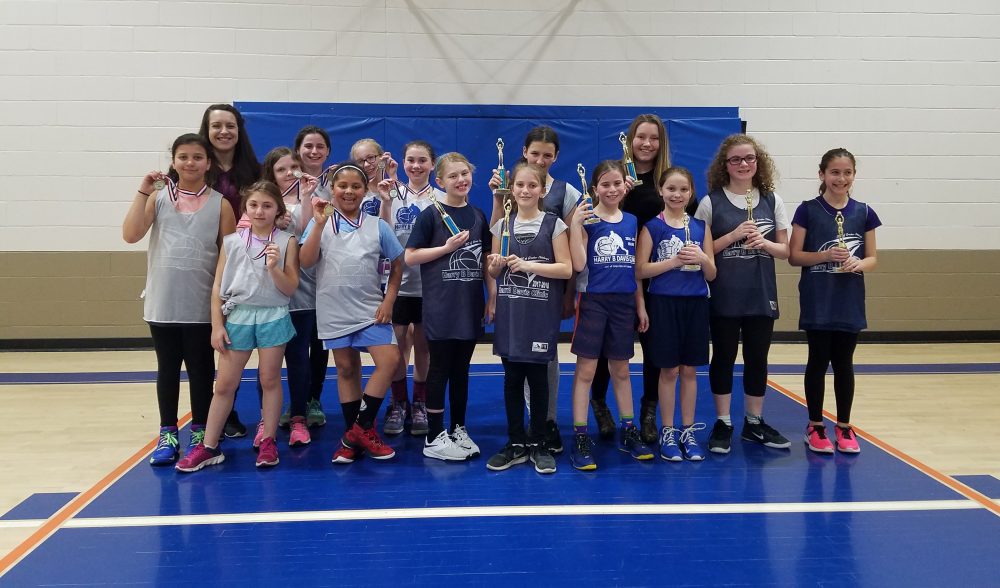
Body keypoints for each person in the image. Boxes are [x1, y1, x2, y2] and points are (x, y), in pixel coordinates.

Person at [123, 133, 235, 467]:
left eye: (197, 157)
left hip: (202, 302)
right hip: (163, 301)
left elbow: (228, 254)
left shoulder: (221, 203)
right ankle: (168, 432)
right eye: (183, 157)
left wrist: (221, 300)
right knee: (167, 369)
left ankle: (200, 431)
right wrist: (143, 189)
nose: (190, 163)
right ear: (173, 161)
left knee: (202, 370)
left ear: (208, 163)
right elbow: (130, 235)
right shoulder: (158, 197)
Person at [175, 180, 300, 472]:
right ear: (245, 208)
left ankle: (268, 441)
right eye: (254, 205)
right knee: (225, 385)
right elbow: (218, 285)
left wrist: (274, 268)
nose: (260, 211)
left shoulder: (287, 241)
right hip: (238, 316)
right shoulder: (231, 241)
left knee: (269, 379)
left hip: (273, 314)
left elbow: (290, 287)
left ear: (277, 210)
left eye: (267, 206)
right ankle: (208, 446)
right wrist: (217, 325)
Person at [299, 163, 403, 464]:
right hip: (334, 308)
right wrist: (318, 223)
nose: (348, 191)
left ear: (363, 190)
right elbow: (306, 262)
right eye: (342, 185)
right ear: (332, 188)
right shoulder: (320, 222)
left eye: (355, 186)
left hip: (371, 308)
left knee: (390, 360)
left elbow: (398, 263)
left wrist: (390, 300)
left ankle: (359, 429)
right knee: (346, 369)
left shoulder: (376, 224)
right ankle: (354, 436)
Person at [488, 125, 583, 454]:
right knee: (512, 378)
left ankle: (543, 432)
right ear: (511, 188)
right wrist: (495, 267)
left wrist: (528, 266)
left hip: (543, 309)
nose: (526, 189)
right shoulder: (502, 224)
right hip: (512, 311)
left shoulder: (556, 220)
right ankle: (516, 439)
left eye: (532, 185)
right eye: (520, 185)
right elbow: (492, 265)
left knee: (543, 376)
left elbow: (567, 266)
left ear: (543, 190)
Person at [695, 134, 792, 454]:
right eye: (735, 160)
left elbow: (786, 250)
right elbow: (703, 250)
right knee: (723, 357)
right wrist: (734, 235)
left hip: (760, 292)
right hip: (724, 293)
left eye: (749, 158)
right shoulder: (711, 202)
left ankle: (754, 421)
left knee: (757, 358)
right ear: (726, 165)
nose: (743, 164)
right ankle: (723, 421)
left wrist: (764, 243)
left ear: (757, 161)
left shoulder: (771, 199)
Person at [789, 148, 880, 454]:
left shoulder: (864, 212)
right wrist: (826, 256)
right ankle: (815, 425)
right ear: (822, 175)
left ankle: (844, 426)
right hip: (818, 298)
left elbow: (872, 258)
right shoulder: (807, 210)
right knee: (818, 360)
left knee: (844, 363)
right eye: (835, 172)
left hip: (848, 299)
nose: (841, 178)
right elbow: (794, 256)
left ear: (854, 175)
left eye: (847, 172)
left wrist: (858, 264)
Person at [405, 153, 494, 461]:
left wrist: (491, 297)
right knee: (439, 369)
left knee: (462, 370)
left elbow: (484, 262)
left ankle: (458, 428)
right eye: (453, 176)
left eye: (465, 174)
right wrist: (446, 248)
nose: (461, 180)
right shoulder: (431, 214)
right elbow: (410, 256)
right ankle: (433, 435)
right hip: (441, 307)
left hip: (469, 306)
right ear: (439, 181)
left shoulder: (479, 215)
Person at [567, 160, 654, 471]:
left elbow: (634, 270)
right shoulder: (588, 221)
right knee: (586, 371)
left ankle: (628, 429)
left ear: (625, 186)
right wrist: (576, 224)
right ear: (595, 189)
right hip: (593, 302)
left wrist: (640, 306)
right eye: (605, 184)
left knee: (621, 369)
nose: (612, 189)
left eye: (617, 183)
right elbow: (578, 265)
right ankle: (580, 435)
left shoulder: (631, 221)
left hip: (623, 304)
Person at [591, 114, 671, 445]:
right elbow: (598, 213)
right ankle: (598, 402)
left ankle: (648, 411)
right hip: (616, 271)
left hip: (657, 275)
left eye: (654, 138)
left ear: (661, 142)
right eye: (641, 137)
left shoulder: (668, 180)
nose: (647, 144)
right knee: (606, 349)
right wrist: (619, 192)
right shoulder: (615, 179)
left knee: (655, 348)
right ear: (630, 139)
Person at [635, 167, 716, 462]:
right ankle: (667, 430)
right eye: (671, 189)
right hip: (663, 304)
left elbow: (712, 274)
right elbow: (640, 270)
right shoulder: (651, 227)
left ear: (691, 193)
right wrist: (672, 262)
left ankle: (687, 430)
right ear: (661, 190)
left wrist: (703, 259)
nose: (677, 194)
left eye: (683, 190)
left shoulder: (700, 227)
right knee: (668, 370)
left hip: (695, 304)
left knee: (690, 370)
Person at [198, 103, 262, 438]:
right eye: (216, 126)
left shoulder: (254, 170)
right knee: (211, 340)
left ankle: (230, 411)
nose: (224, 132)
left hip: (242, 265)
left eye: (231, 126)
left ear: (239, 131)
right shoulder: (195, 168)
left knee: (233, 342)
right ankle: (205, 417)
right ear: (206, 130)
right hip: (202, 261)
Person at [254, 146, 320, 448]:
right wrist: (270, 222)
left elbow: (308, 234)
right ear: (272, 173)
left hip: (302, 293)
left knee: (298, 358)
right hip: (267, 295)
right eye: (281, 169)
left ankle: (298, 417)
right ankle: (264, 420)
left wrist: (306, 196)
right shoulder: (260, 203)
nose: (289, 173)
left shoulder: (309, 196)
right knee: (267, 362)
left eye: (293, 166)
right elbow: (248, 238)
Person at [383, 140, 442, 437]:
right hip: (396, 285)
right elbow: (380, 234)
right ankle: (398, 403)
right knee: (396, 350)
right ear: (403, 163)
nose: (416, 166)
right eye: (410, 160)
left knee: (423, 349)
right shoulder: (390, 194)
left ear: (432, 164)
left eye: (422, 160)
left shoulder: (442, 198)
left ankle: (420, 402)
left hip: (429, 286)